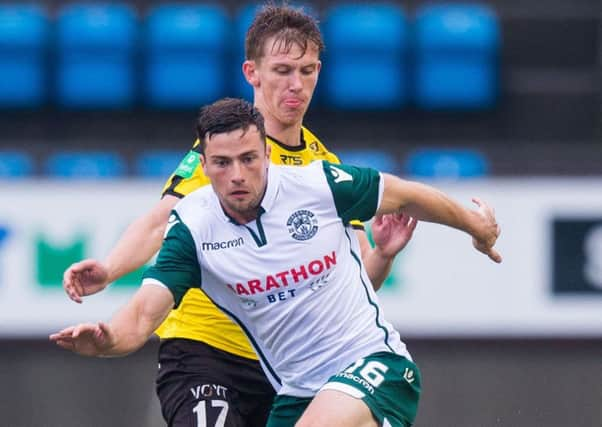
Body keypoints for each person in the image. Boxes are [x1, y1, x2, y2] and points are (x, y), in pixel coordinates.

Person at [61, 5, 416, 427]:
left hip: (286, 364)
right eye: (283, 70)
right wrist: (109, 269)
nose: (295, 85)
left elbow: (351, 280)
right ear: (253, 73)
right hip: (205, 350)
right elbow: (160, 221)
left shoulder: (323, 165)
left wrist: (385, 254)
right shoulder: (229, 152)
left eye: (306, 71)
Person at [51, 98, 501, 427]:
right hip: (296, 394)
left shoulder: (318, 183)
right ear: (203, 167)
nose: (238, 175)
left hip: (375, 365)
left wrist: (475, 226)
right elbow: (143, 315)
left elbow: (406, 194)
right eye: (223, 163)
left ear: (266, 154)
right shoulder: (193, 228)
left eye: (249, 159)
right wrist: (107, 339)